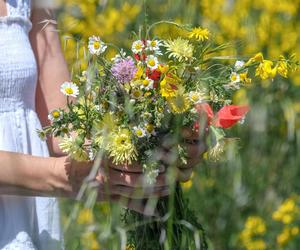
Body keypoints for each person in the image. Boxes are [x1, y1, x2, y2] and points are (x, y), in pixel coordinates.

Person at [0, 0, 205, 249]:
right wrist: (66, 177)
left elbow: (61, 126)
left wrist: (147, 142)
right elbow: (65, 171)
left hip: (24, 218)